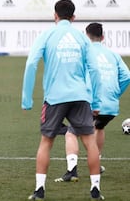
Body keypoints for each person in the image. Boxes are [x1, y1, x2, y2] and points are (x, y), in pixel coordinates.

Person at [21, 0, 104, 200]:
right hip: (80, 97)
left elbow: (31, 63)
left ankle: (39, 190)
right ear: (74, 17)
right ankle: (95, 190)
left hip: (54, 98)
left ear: (55, 15)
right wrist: (97, 102)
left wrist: (27, 98)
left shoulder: (47, 34)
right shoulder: (82, 38)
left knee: (46, 142)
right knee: (89, 142)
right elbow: (94, 69)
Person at [54, 22, 130, 183]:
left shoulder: (84, 53)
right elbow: (127, 76)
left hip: (90, 102)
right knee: (99, 127)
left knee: (71, 133)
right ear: (102, 37)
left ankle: (71, 171)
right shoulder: (113, 54)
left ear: (85, 36)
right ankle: (97, 162)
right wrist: (115, 93)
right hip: (110, 105)